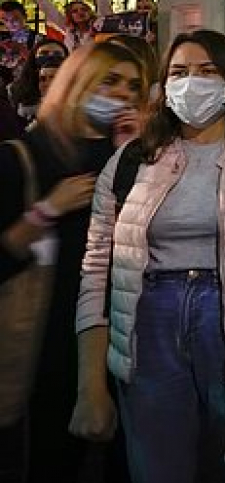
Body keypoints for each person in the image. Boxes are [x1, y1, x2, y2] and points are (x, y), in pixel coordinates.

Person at [71, 30, 225, 482]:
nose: (191, 83)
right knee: (160, 467)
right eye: (179, 73)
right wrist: (90, 383)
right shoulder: (130, 160)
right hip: (148, 328)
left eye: (207, 72)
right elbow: (96, 268)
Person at [0, 39, 151, 483]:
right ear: (77, 82)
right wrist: (45, 212)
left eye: (133, 85)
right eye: (110, 80)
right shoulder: (23, 158)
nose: (122, 93)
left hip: (122, 338)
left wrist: (136, 156)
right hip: (44, 344)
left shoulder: (135, 156)